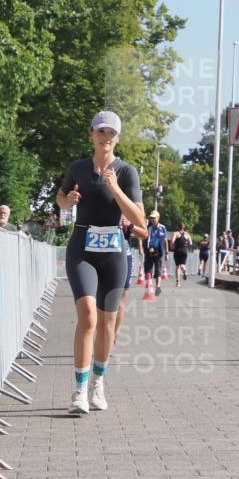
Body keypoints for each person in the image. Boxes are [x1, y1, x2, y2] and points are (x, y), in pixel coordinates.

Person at [57, 111, 145, 416]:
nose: (106, 138)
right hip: (82, 247)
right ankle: (79, 389)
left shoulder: (127, 172)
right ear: (91, 134)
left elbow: (139, 219)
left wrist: (115, 188)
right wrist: (68, 201)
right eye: (101, 132)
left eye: (112, 134)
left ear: (117, 139)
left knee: (108, 325)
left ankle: (98, 382)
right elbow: (61, 196)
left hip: (114, 253)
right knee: (88, 318)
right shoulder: (78, 167)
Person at [115, 214, 147, 340]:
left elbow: (144, 233)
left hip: (124, 255)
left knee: (121, 300)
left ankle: (114, 335)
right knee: (101, 299)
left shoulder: (128, 206)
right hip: (102, 255)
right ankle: (102, 333)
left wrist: (130, 225)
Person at [144, 211, 167, 294]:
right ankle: (149, 285)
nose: (152, 220)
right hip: (151, 249)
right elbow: (144, 238)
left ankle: (158, 287)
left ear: (158, 218)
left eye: (154, 218)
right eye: (151, 218)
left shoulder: (162, 228)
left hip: (160, 250)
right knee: (148, 269)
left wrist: (167, 252)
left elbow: (165, 240)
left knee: (158, 269)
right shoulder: (148, 227)